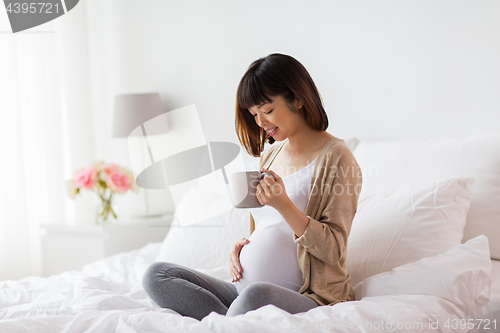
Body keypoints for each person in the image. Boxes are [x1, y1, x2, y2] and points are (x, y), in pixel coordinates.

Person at [142, 53, 363, 321]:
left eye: (267, 111)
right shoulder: (271, 155)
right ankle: (233, 320)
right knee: (157, 275)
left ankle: (227, 322)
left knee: (256, 296)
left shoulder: (337, 156)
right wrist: (242, 248)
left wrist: (284, 205)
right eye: (254, 114)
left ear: (298, 98)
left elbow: (334, 249)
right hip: (242, 292)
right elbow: (264, 230)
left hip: (306, 297)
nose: (260, 123)